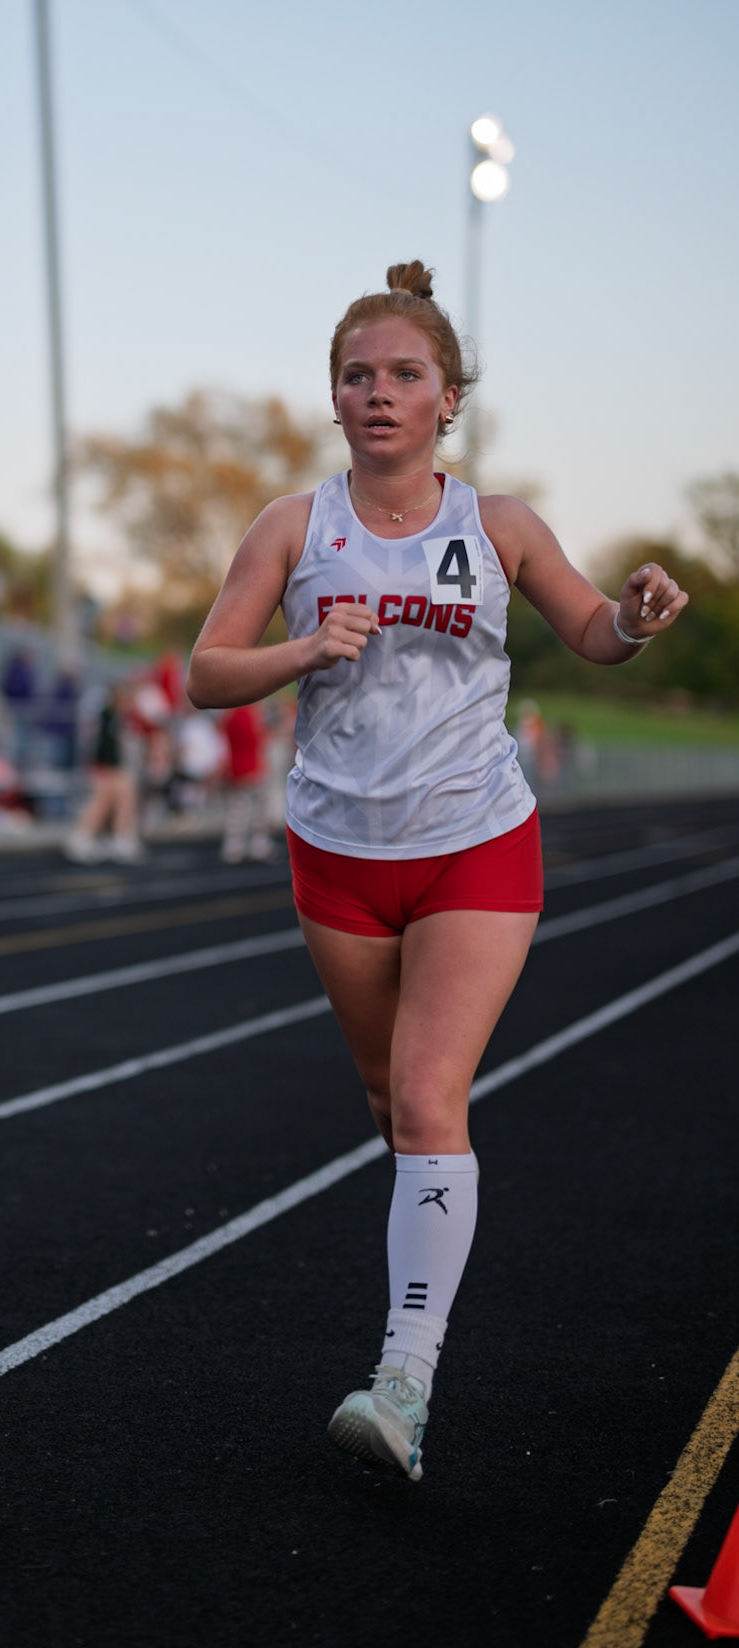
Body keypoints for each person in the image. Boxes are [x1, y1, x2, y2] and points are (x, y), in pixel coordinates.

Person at [186, 259, 687, 1482]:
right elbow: (206, 671)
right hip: (339, 853)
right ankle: (431, 1227)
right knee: (389, 1105)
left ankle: (402, 1384)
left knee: (424, 1097)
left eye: (405, 373)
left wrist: (634, 616)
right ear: (335, 397)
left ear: (448, 398)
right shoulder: (293, 526)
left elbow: (592, 629)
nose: (379, 392)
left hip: (475, 840)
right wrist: (305, 646)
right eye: (357, 374)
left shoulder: (498, 524)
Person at [64, 684, 143, 863]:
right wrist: (108, 767)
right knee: (105, 802)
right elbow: (104, 746)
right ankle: (90, 838)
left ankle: (117, 837)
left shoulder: (116, 717)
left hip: (110, 766)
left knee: (116, 801)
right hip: (107, 767)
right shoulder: (108, 716)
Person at [218, 698, 274, 863]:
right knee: (259, 812)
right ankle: (259, 846)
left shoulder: (229, 716)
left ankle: (233, 847)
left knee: (237, 812)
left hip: (235, 767)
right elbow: (257, 739)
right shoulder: (249, 714)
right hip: (253, 767)